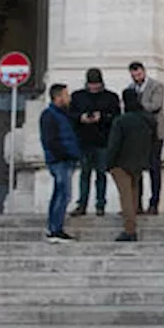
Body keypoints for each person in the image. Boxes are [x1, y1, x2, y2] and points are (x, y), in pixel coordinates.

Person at [69, 67, 120, 217]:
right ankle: (82, 204)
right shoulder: (78, 96)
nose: (94, 87)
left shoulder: (111, 97)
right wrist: (81, 118)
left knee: (101, 174)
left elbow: (116, 117)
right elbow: (71, 116)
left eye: (96, 84)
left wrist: (102, 117)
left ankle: (100, 204)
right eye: (91, 84)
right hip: (84, 140)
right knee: (84, 174)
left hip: (103, 141)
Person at [105, 89, 154, 242]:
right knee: (133, 195)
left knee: (126, 197)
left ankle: (130, 230)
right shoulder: (148, 120)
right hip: (139, 162)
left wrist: (109, 163)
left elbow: (114, 144)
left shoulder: (121, 121)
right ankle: (131, 227)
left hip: (121, 163)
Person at [39, 83, 80, 243]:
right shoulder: (49, 115)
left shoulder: (63, 114)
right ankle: (55, 229)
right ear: (58, 97)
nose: (68, 98)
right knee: (63, 194)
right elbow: (50, 140)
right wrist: (64, 154)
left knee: (60, 193)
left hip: (65, 159)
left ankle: (54, 228)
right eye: (66, 95)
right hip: (59, 160)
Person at [124, 61, 164, 215]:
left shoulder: (156, 86)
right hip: (138, 134)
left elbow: (155, 105)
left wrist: (137, 104)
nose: (137, 78)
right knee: (137, 168)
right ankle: (137, 203)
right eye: (134, 75)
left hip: (154, 132)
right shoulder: (130, 88)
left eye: (139, 74)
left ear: (144, 72)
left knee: (155, 168)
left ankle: (154, 203)